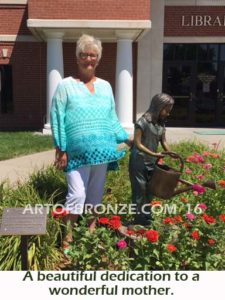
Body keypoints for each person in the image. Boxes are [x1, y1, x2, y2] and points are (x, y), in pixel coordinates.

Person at [50, 34, 131, 246]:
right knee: (77, 195)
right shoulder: (65, 86)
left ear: (98, 59)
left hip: (102, 152)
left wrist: (126, 138)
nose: (88, 59)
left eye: (93, 55)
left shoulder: (105, 86)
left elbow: (111, 118)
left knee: (95, 196)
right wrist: (61, 149)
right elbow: (57, 118)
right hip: (76, 154)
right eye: (84, 55)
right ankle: (67, 237)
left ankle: (91, 232)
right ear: (77, 58)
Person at [129, 93, 175, 226]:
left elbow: (163, 141)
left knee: (150, 190)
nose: (168, 113)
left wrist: (170, 152)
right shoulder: (142, 122)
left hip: (151, 161)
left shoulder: (161, 124)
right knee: (140, 190)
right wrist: (154, 154)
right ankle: (139, 220)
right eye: (166, 110)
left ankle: (147, 217)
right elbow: (137, 144)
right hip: (139, 161)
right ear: (158, 106)